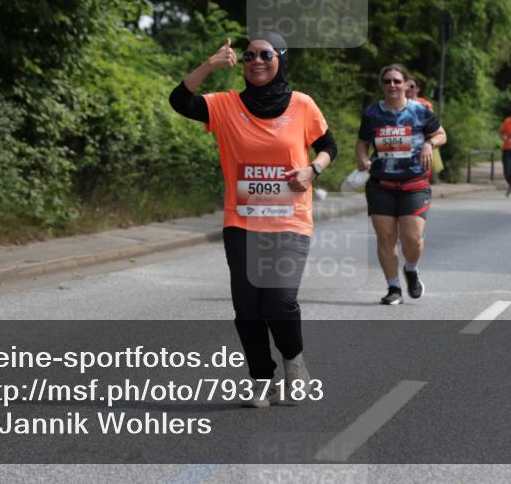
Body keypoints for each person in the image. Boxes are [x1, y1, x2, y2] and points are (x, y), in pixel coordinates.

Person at [168, 31, 337, 408]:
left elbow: (329, 146)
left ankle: (294, 363)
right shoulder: (226, 106)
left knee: (278, 302)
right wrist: (209, 65)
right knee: (247, 307)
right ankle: (262, 379)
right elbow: (180, 100)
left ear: (281, 58)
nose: (256, 61)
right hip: (242, 222)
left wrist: (313, 170)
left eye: (265, 54)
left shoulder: (302, 104)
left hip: (290, 220)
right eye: (248, 56)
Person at [357, 64, 446, 306]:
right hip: (381, 184)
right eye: (387, 81)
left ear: (407, 84)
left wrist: (429, 144)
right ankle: (393, 287)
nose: (392, 85)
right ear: (382, 85)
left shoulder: (420, 111)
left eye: (397, 81)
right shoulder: (373, 112)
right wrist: (362, 158)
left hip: (414, 184)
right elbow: (363, 142)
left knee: (412, 239)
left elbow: (441, 134)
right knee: (385, 238)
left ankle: (411, 269)